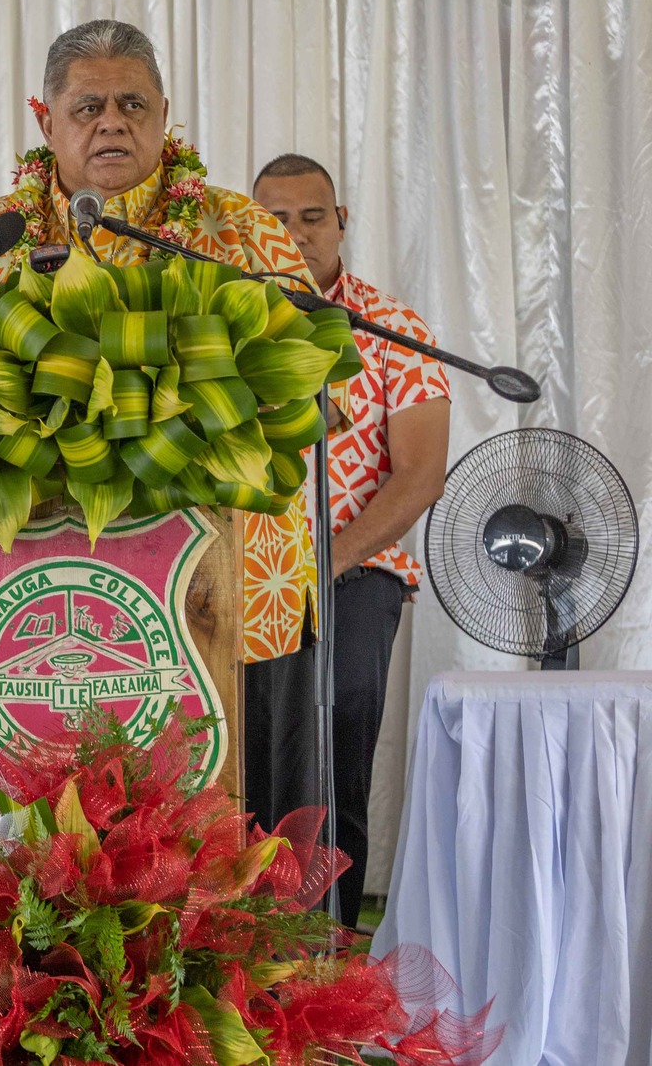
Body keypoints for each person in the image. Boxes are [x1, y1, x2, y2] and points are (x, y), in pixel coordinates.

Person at [0, 19, 327, 676]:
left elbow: (306, 395)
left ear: (164, 116)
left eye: (132, 104)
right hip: (28, 606)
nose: (111, 122)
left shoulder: (244, 233)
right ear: (47, 123)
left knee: (252, 784)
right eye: (88, 107)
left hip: (234, 596)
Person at [254, 152, 450, 925]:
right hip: (242, 576)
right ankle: (236, 949)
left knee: (333, 742)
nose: (297, 234)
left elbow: (420, 473)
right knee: (246, 749)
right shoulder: (219, 323)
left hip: (354, 568)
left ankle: (329, 946)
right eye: (276, 219)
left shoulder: (391, 328)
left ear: (342, 222)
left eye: (312, 216)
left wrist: (324, 562)